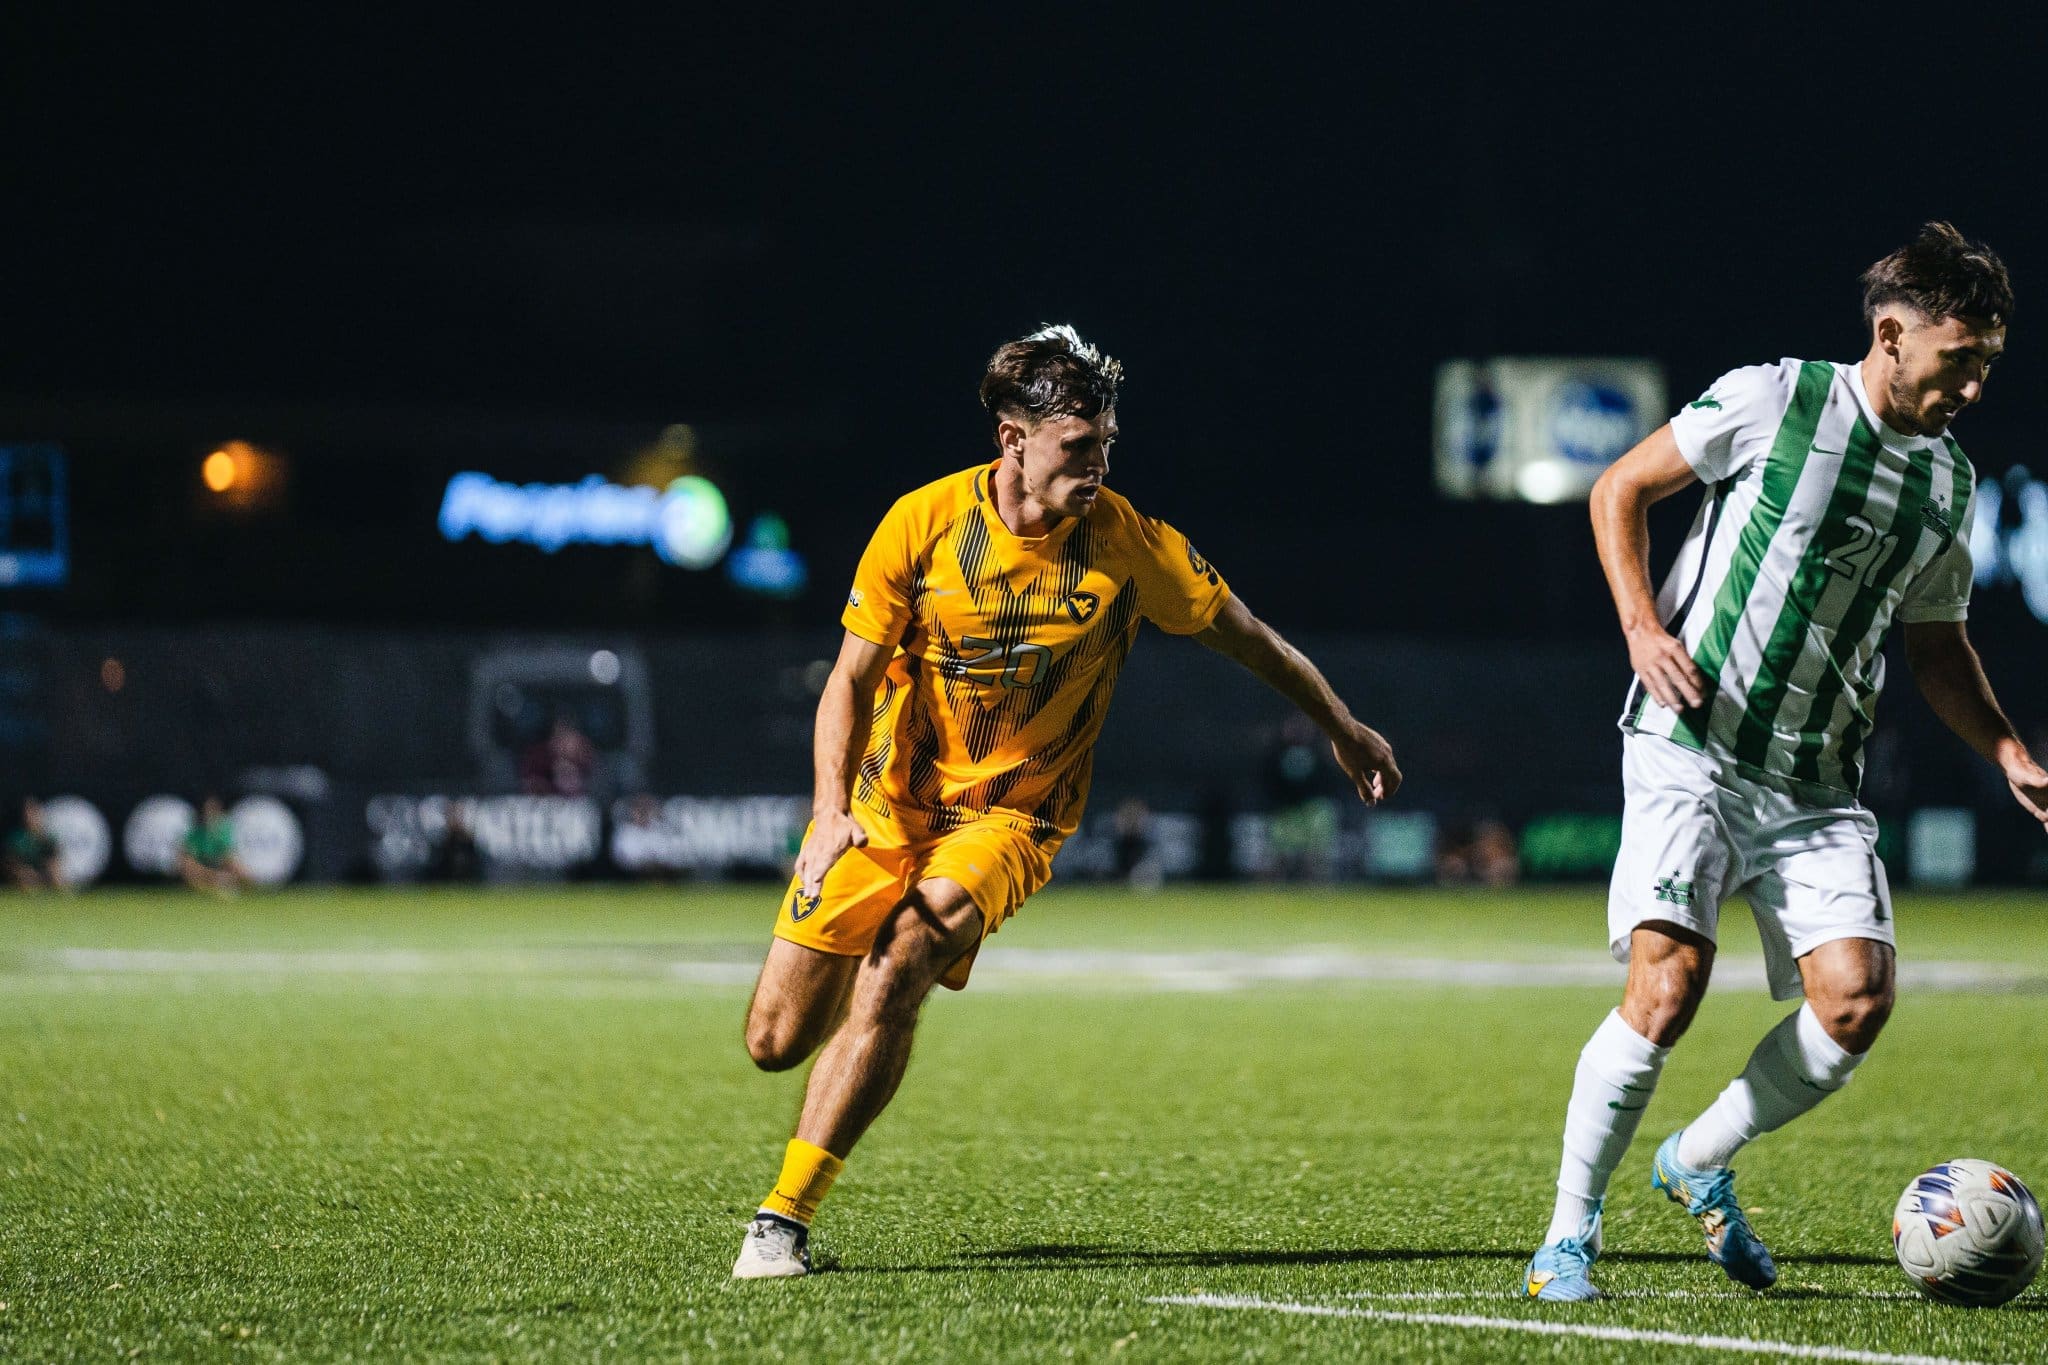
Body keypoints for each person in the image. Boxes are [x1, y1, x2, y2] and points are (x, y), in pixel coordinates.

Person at [731, 324, 1401, 1278]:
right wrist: (831, 809)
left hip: (1013, 818)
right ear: (1013, 439)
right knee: (774, 1040)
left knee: (902, 959)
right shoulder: (921, 524)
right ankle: (853, 1014)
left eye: (1107, 447)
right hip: (883, 808)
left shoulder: (1128, 543)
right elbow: (847, 679)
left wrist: (1341, 723)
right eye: (1078, 448)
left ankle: (781, 1223)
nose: (1097, 467)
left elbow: (1249, 636)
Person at [1524, 223, 2048, 1301]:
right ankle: (1566, 1237)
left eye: (1987, 365)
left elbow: (1935, 642)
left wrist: (2002, 745)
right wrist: (1639, 627)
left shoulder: (1946, 487)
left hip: (1816, 782)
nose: (1972, 387)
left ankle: (1696, 1159)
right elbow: (1618, 488)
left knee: (1854, 1001)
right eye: (1961, 360)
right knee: (1664, 988)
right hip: (1691, 745)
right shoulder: (1775, 399)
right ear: (1892, 335)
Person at [180, 796, 249, 894]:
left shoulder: (226, 828)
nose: (210, 814)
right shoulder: (196, 831)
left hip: (219, 863)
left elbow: (228, 855)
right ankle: (212, 887)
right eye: (208, 810)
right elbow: (187, 855)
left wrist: (215, 835)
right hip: (203, 865)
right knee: (189, 866)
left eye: (213, 810)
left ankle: (232, 886)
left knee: (239, 868)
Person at [5, 797, 66, 891]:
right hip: (25, 873)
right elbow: (11, 862)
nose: (31, 816)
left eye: (34, 813)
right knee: (25, 876)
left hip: (43, 872)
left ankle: (63, 896)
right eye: (28, 813)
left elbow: (54, 858)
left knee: (54, 870)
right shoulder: (17, 837)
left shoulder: (46, 836)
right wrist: (26, 871)